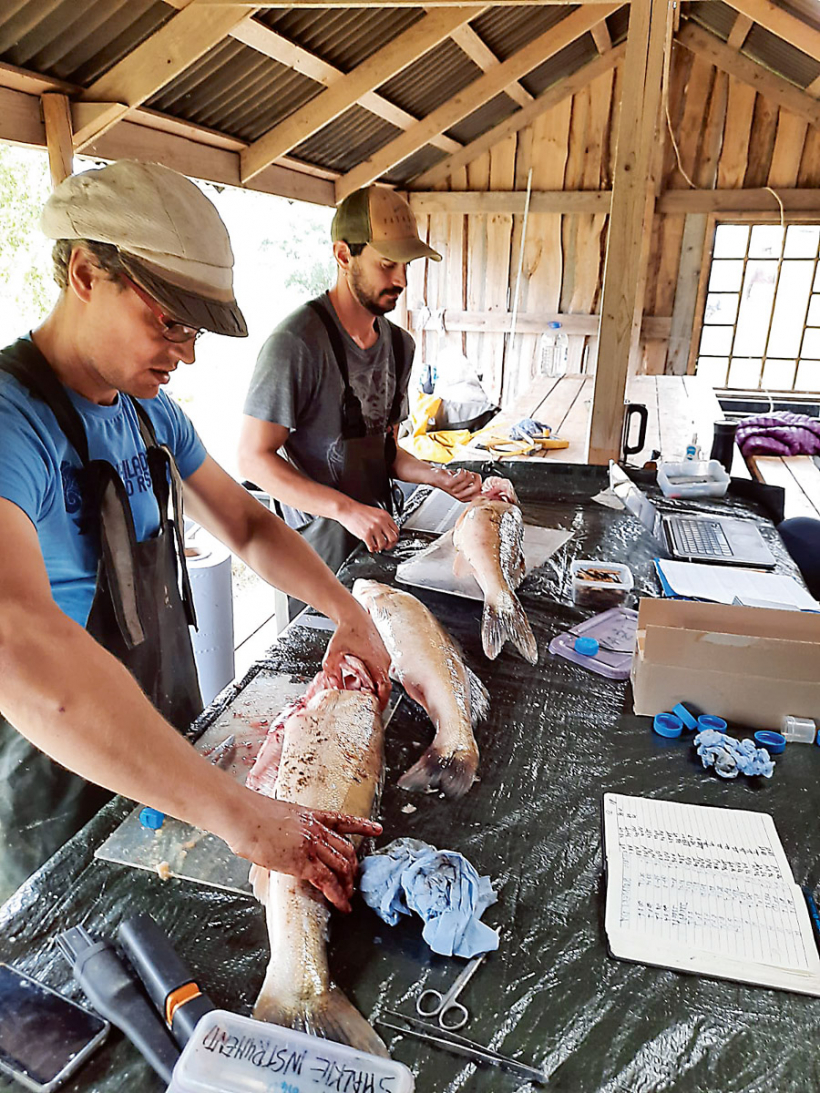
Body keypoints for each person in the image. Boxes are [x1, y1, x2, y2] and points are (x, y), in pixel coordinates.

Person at [0, 160, 392, 910]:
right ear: (86, 272)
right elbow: (17, 640)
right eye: (168, 321)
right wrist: (239, 814)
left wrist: (347, 610)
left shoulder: (151, 415)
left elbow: (245, 522)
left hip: (172, 763)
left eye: (193, 329)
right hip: (59, 802)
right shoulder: (13, 423)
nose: (184, 352)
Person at [238, 185, 482, 595]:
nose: (401, 279)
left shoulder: (399, 346)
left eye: (406, 265)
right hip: (316, 547)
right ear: (343, 255)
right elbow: (252, 459)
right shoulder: (296, 345)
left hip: (378, 534)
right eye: (387, 264)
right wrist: (346, 510)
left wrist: (435, 476)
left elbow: (385, 452)